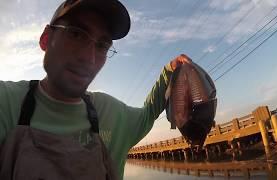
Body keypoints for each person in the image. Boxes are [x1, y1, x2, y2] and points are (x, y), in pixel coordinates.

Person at [0, 0, 191, 179]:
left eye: (102, 45)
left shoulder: (113, 114)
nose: (89, 59)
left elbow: (149, 112)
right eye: (76, 34)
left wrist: (170, 71)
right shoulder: (5, 101)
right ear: (46, 39)